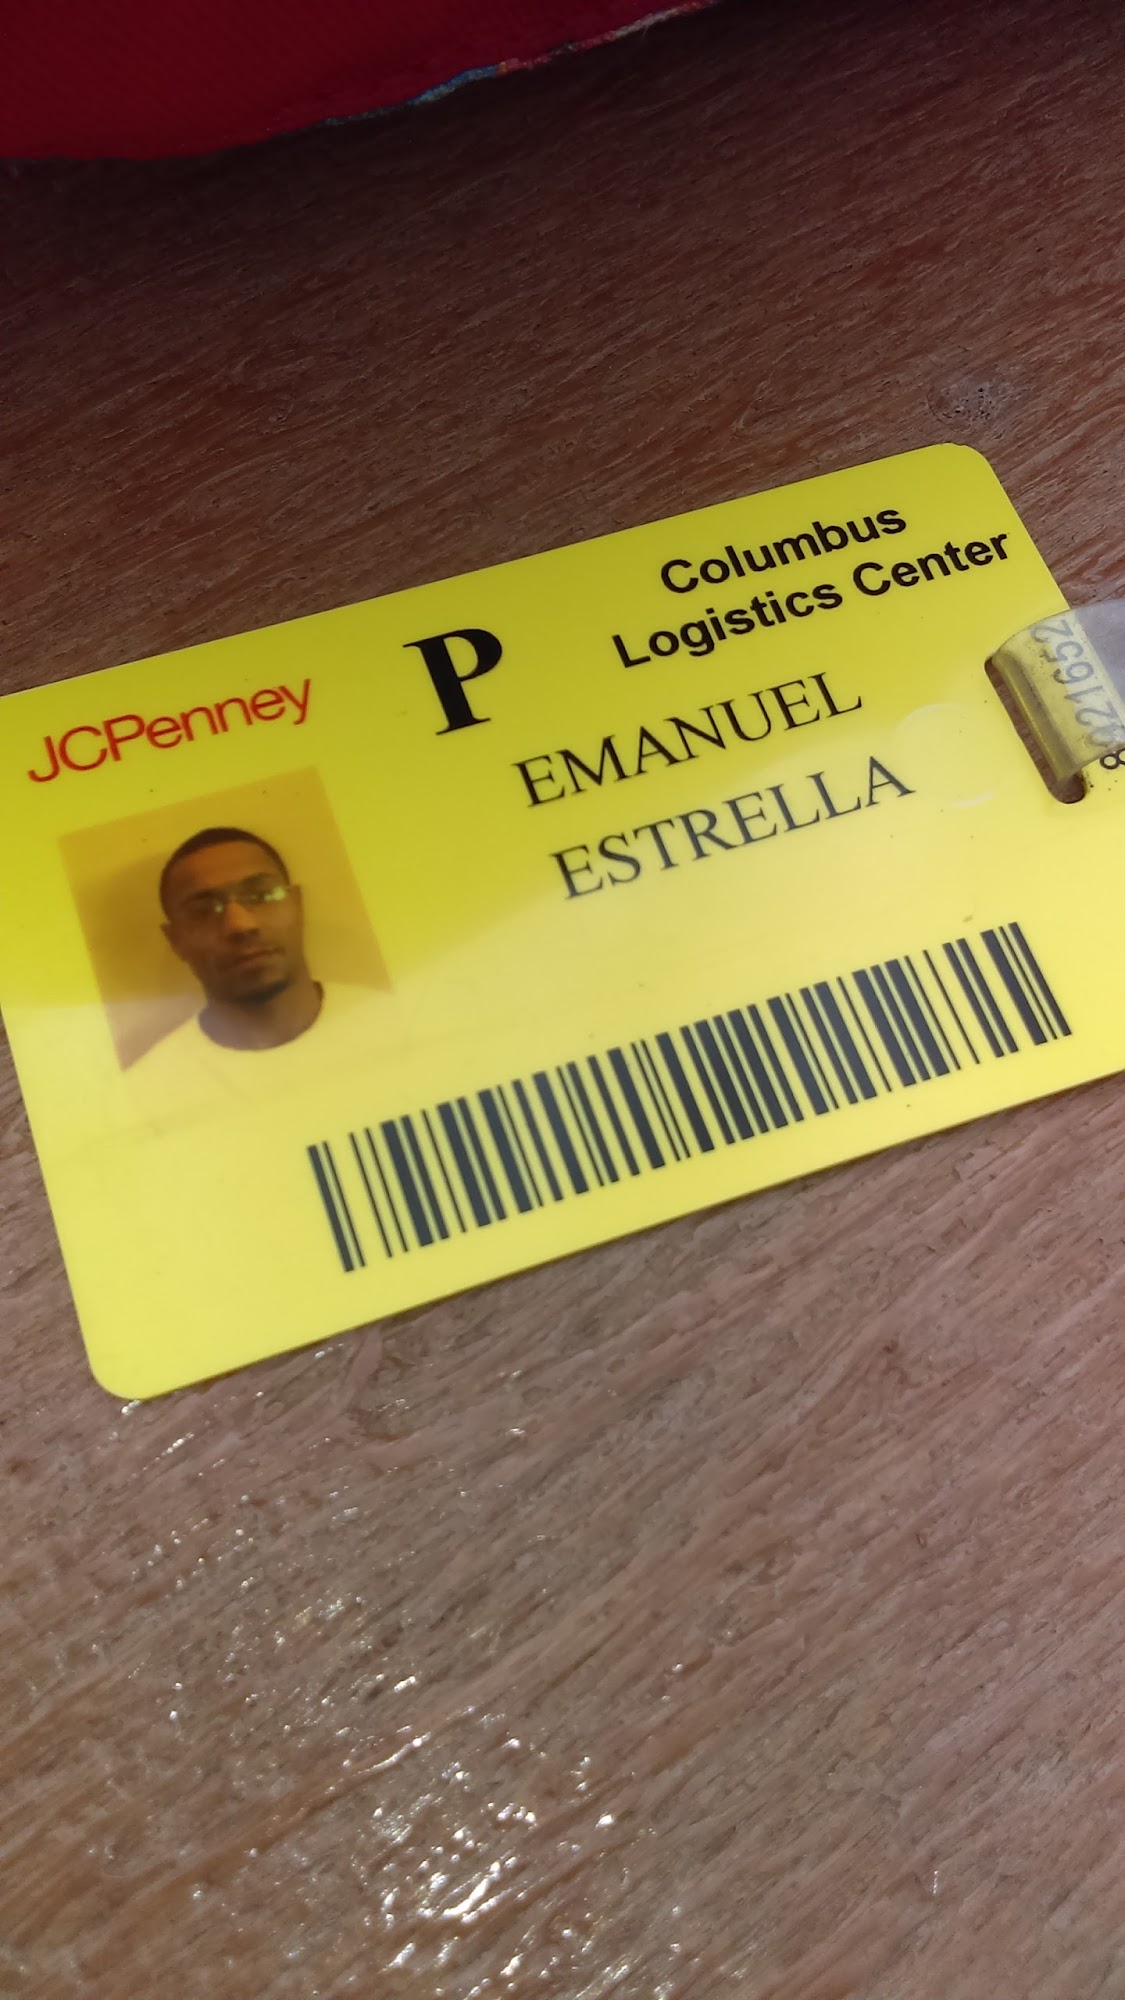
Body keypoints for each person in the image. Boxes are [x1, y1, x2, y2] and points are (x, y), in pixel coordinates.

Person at [126, 825, 393, 1112]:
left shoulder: (395, 1024)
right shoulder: (146, 1098)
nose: (241, 925)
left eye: (261, 896)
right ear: (176, 940)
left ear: (297, 906)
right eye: (204, 911)